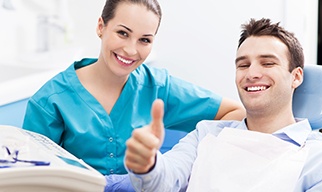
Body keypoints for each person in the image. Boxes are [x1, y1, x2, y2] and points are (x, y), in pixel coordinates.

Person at [21, 0, 245, 176]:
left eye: (144, 40)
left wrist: (180, 162)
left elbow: (235, 113)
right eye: (123, 33)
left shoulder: (158, 88)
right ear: (101, 27)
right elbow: (31, 176)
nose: (130, 50)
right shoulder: (50, 101)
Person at [124, 18, 322, 191]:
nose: (251, 73)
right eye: (243, 65)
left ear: (296, 77)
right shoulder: (206, 134)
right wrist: (148, 164)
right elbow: (163, 181)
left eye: (267, 63)